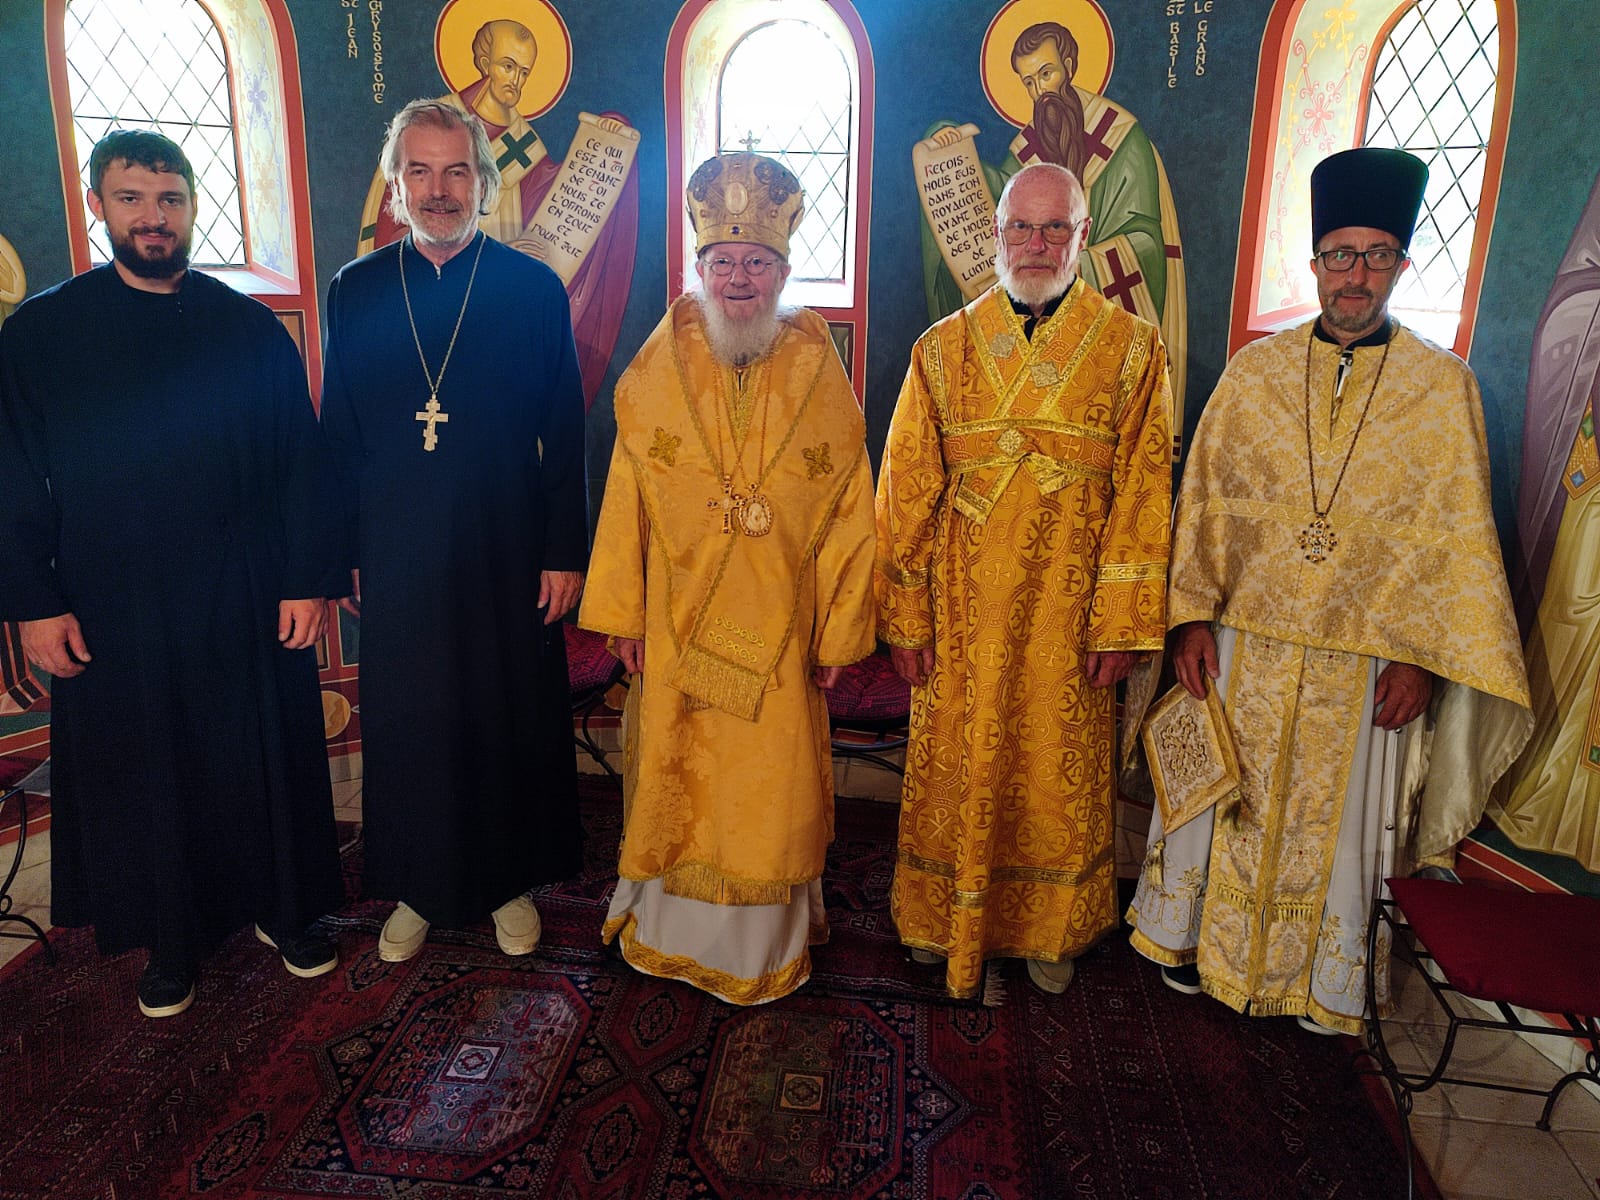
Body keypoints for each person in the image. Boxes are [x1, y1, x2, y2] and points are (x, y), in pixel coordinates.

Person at [1126, 147, 1533, 1034]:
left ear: (1400, 264)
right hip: (1245, 645)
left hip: (1368, 666)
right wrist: (1190, 618)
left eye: (1376, 254)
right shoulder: (1252, 374)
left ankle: (1324, 977)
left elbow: (1456, 547)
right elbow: (1203, 503)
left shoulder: (1443, 390)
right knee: (1221, 805)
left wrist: (1423, 663)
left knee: (1342, 829)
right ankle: (1191, 938)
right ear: (1313, 264)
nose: (1355, 275)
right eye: (1339, 255)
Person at [0, 129, 346, 1017]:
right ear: (98, 207)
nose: (153, 218)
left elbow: (298, 460)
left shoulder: (245, 324)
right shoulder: (42, 332)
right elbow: (11, 475)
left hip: (245, 588)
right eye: (132, 199)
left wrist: (308, 578)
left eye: (170, 199)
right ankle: (170, 938)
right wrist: (34, 604)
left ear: (192, 207)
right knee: (147, 768)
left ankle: (283, 910)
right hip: (115, 600)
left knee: (256, 755)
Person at [579, 152, 876, 1005]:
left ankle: (762, 947)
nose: (739, 278)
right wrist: (624, 617)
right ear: (699, 268)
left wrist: (841, 632)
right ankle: (666, 926)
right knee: (677, 773)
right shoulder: (658, 370)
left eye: (758, 263)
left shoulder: (820, 371)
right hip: (675, 623)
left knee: (766, 784)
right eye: (723, 262)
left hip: (782, 627)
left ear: (785, 270)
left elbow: (852, 511)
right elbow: (626, 498)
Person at [878, 162, 1173, 1000]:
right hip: (960, 612)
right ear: (997, 233)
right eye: (1021, 228)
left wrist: (1119, 623)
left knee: (1053, 770)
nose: (1036, 245)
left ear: (1083, 238)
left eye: (1055, 230)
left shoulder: (1131, 350)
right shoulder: (940, 348)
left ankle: (1049, 926)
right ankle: (942, 914)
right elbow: (902, 491)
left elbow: (1146, 490)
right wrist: (906, 620)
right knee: (957, 762)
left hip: (1067, 621)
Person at [323, 100, 588, 965]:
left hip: (507, 543)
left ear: (484, 180)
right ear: (395, 187)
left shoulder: (530, 288)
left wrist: (561, 550)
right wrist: (345, 551)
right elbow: (340, 437)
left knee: (504, 710)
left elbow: (565, 428)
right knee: (412, 716)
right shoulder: (357, 290)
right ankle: (417, 883)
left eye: (456, 172)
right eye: (420, 173)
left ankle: (508, 877)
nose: (439, 191)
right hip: (395, 550)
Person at [355, 18, 637, 407]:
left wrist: (603, 144)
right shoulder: (426, 131)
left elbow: (554, 196)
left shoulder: (524, 140)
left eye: (524, 72)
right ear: (483, 61)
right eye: (507, 66)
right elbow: (390, 233)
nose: (515, 82)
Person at [920, 20, 1186, 411]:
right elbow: (1003, 197)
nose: (1040, 91)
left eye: (1047, 73)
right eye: (1029, 82)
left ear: (1070, 65)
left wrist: (1071, 265)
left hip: (1099, 346)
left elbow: (1144, 243)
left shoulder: (1121, 137)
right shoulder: (1029, 144)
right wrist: (952, 152)